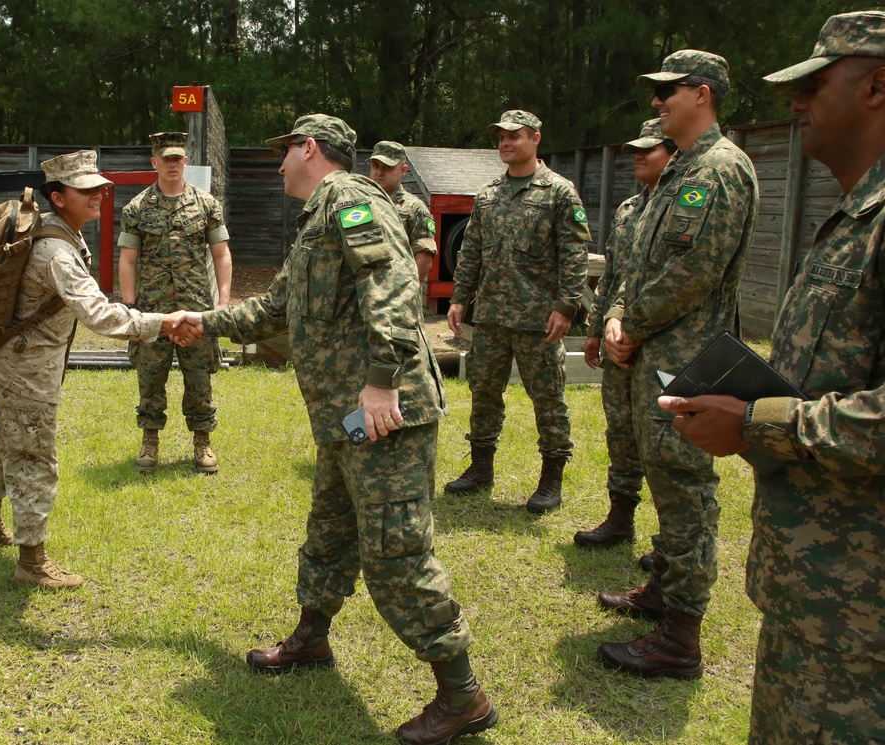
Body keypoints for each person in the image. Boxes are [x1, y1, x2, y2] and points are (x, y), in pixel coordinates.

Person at [658, 11, 885, 742]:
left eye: (815, 85)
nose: (796, 103)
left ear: (878, 86)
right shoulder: (859, 214)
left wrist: (756, 423)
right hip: (822, 598)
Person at [174, 115, 497, 745]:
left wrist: (380, 378)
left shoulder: (348, 199)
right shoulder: (316, 222)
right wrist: (203, 321)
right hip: (347, 422)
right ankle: (312, 640)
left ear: (310, 149)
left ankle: (464, 698)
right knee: (329, 527)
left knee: (396, 550)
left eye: (284, 153)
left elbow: (396, 284)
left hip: (385, 413)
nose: (277, 167)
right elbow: (273, 310)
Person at [0, 151, 196, 589]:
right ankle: (32, 561)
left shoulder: (62, 234)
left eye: (99, 187)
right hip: (25, 368)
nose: (98, 195)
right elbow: (100, 316)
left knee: (7, 435)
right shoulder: (55, 250)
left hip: (16, 360)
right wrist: (161, 322)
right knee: (33, 455)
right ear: (57, 196)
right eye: (84, 189)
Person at [595, 50, 759, 679]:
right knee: (665, 476)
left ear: (704, 93)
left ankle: (680, 639)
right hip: (650, 352)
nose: (657, 101)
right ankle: (663, 591)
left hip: (685, 360)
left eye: (669, 90)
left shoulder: (717, 170)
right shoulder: (678, 172)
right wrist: (615, 317)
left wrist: (629, 325)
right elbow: (636, 265)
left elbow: (692, 272)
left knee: (685, 487)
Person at [445, 109, 590, 513]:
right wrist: (459, 297)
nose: (506, 143)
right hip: (491, 315)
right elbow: (470, 249)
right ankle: (480, 468)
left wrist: (566, 307)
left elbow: (574, 255)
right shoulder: (488, 194)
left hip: (538, 320)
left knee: (547, 398)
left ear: (536, 139)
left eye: (515, 136)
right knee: (483, 393)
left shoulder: (559, 192)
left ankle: (551, 479)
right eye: (501, 137)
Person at [574, 118, 676, 560]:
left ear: (674, 153)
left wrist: (629, 327)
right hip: (616, 337)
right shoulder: (629, 209)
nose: (637, 156)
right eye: (635, 148)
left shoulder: (682, 206)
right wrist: (595, 329)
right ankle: (620, 518)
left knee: (665, 439)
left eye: (649, 149)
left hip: (660, 340)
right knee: (621, 429)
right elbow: (612, 276)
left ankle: (672, 536)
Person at [118, 131, 232, 474]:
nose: (172, 164)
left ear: (185, 161)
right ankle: (149, 441)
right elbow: (127, 259)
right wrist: (130, 308)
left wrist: (222, 305)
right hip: (153, 311)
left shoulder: (206, 204)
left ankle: (202, 442)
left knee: (199, 378)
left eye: (177, 158)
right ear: (154, 162)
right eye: (165, 159)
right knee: (150, 377)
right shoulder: (136, 208)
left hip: (196, 308)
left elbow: (221, 254)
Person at [367, 140, 437, 281]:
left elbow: (424, 259)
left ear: (403, 170)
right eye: (375, 166)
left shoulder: (414, 208)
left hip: (394, 293)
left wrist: (405, 296)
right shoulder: (360, 202)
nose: (379, 172)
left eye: (387, 167)